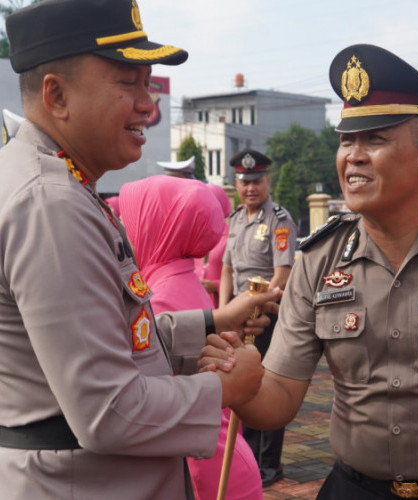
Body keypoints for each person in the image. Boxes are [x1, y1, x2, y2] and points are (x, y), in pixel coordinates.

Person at [204, 43, 418, 500]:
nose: (353, 155)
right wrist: (240, 385)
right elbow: (281, 398)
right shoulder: (319, 259)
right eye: (347, 139)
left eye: (375, 139)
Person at [0, 1, 281, 498]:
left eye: (148, 84)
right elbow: (108, 410)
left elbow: (115, 336)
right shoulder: (51, 203)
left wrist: (216, 321)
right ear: (57, 95)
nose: (148, 106)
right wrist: (225, 389)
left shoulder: (61, 185)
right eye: (128, 83)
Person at [119, 175, 262, 500]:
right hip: (216, 456)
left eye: (131, 219)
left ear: (157, 226)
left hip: (203, 471)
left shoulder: (160, 296)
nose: (123, 232)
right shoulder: (178, 278)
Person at [219, 148, 297, 487]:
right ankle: (249, 458)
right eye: (244, 181)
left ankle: (270, 464)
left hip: (266, 316)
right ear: (236, 182)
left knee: (267, 385)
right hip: (238, 315)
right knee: (243, 386)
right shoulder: (236, 219)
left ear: (267, 182)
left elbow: (282, 273)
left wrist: (255, 308)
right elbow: (226, 269)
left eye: (257, 181)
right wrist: (223, 313)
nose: (251, 187)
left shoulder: (279, 219)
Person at [199, 183, 233, 307]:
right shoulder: (195, 236)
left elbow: (241, 275)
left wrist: (215, 286)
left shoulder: (231, 237)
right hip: (196, 306)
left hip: (222, 307)